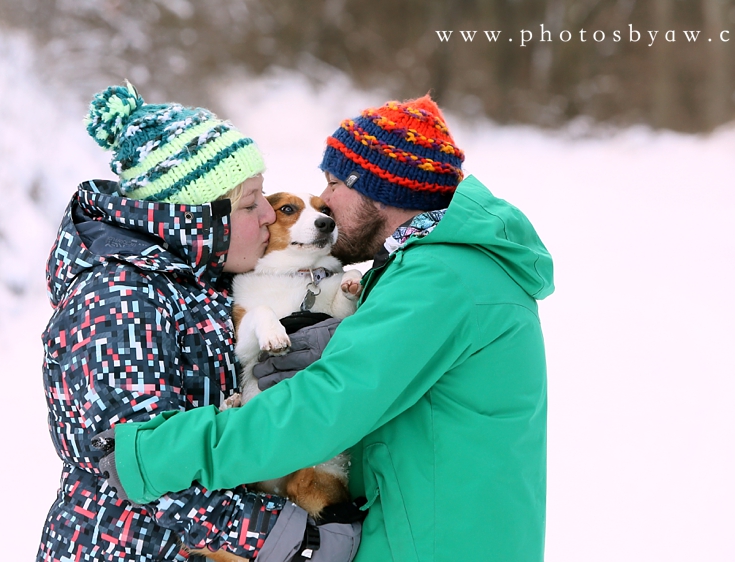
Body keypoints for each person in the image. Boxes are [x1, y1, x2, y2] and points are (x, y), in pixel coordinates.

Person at [103, 94, 556, 562]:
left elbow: (328, 404)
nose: (327, 205)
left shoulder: (442, 278)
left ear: (382, 189)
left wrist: (162, 454)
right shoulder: (432, 267)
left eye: (335, 183)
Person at [37, 83, 361, 562]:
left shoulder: (201, 282)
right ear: (195, 220)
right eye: (251, 204)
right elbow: (140, 466)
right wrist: (289, 535)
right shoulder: (119, 301)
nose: (270, 214)